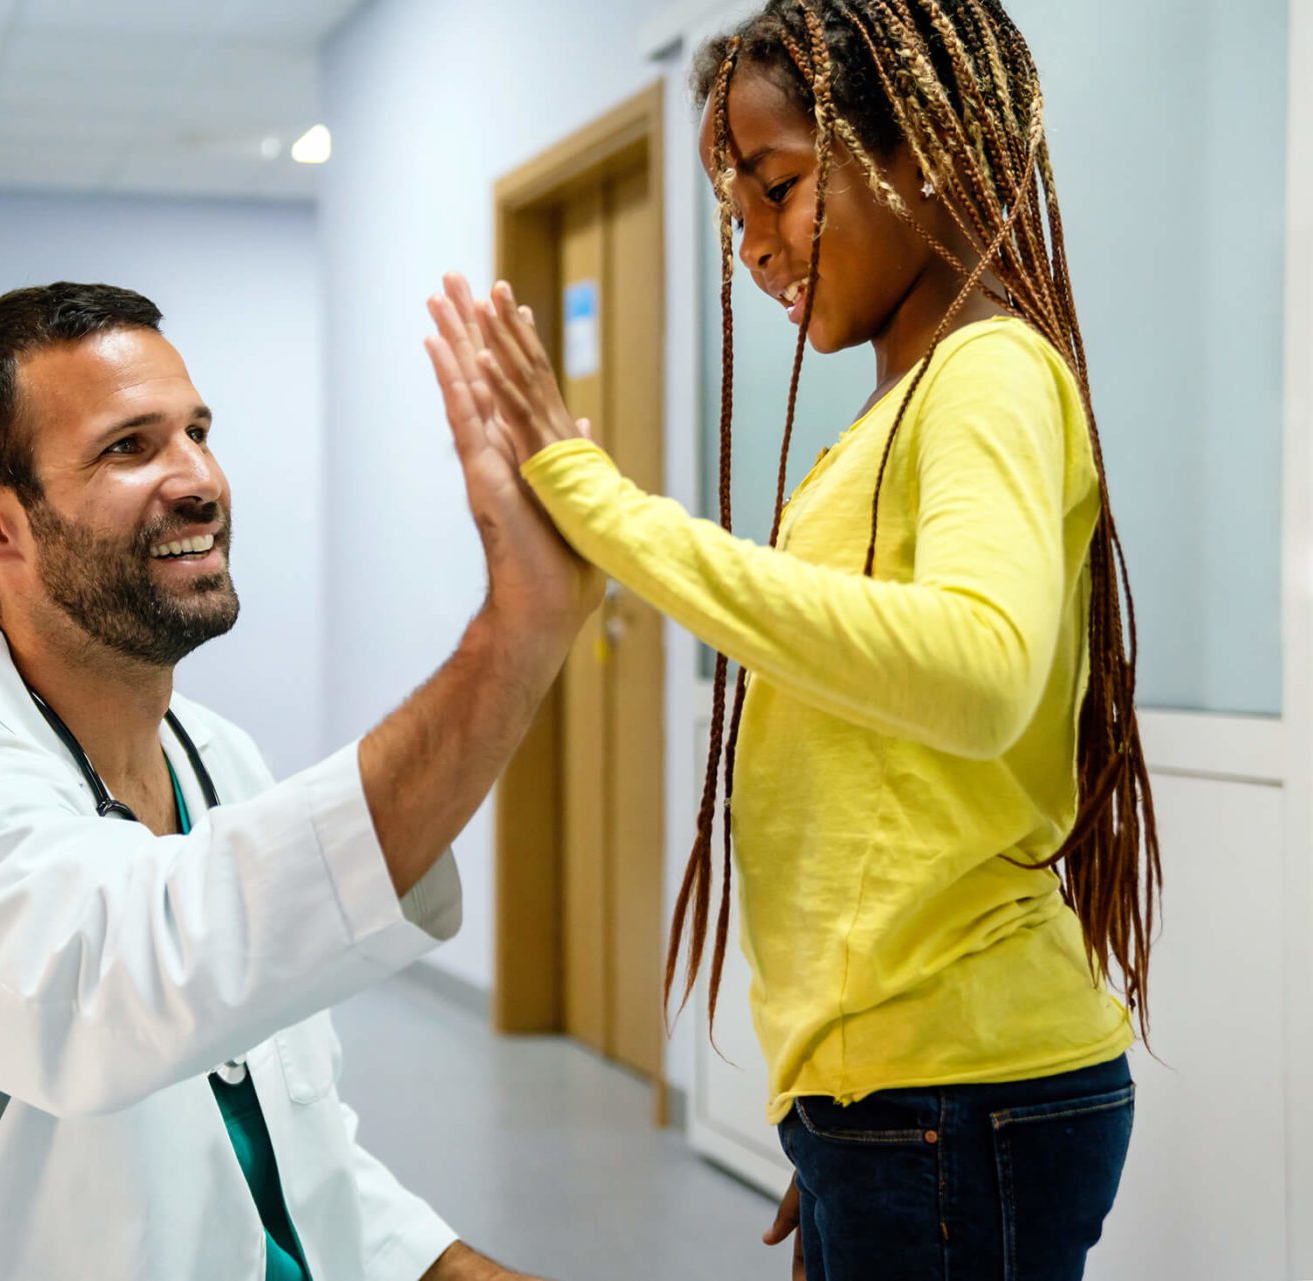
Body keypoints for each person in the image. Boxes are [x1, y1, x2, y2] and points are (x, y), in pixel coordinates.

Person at [425, 2, 1157, 1278]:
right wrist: (839, 1117)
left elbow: (979, 675)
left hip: (960, 1093)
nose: (756, 247)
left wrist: (606, 508)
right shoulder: (900, 402)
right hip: (906, 1100)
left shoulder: (991, 372)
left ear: (921, 150)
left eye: (778, 188)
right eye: (734, 216)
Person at [0, 282, 591, 1280]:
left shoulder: (216, 757)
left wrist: (448, 1267)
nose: (199, 480)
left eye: (198, 431)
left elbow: (287, 1143)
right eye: (129, 447)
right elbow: (130, 985)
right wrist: (516, 635)